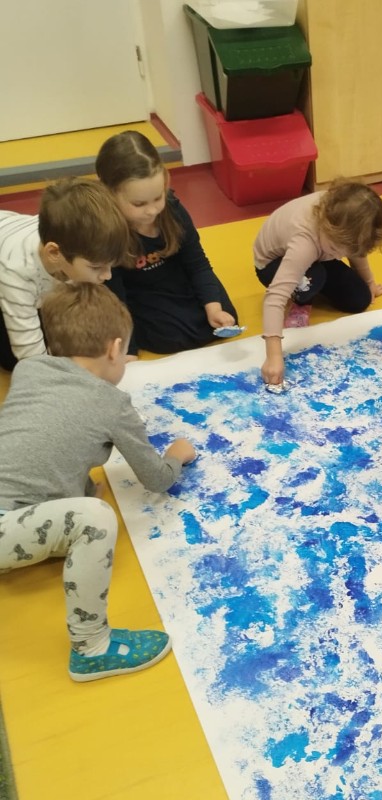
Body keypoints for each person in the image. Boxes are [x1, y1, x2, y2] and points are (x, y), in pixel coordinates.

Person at [0, 283, 196, 682]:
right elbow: (157, 479)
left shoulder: (29, 369)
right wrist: (177, 455)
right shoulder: (113, 404)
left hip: (12, 519)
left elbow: (39, 446)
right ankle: (92, 647)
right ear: (115, 348)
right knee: (95, 516)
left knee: (84, 494)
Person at [96, 130, 238, 355]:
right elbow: (115, 296)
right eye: (139, 204)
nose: (152, 210)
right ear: (110, 194)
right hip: (140, 292)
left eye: (158, 198)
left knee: (225, 315)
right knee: (168, 337)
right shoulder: (106, 231)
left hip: (177, 279)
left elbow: (198, 265)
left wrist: (213, 308)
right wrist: (129, 350)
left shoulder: (173, 210)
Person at [253, 179, 382, 385]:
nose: (342, 255)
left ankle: (314, 280)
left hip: (319, 254)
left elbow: (355, 251)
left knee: (359, 299)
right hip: (272, 264)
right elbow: (275, 296)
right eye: (337, 249)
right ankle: (301, 301)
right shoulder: (304, 241)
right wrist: (274, 356)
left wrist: (369, 283)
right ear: (329, 227)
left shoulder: (343, 221)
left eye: (346, 251)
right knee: (313, 278)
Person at [0, 177, 130, 371]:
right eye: (96, 267)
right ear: (54, 253)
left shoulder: (71, 239)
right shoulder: (17, 273)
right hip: (7, 268)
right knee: (13, 360)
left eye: (110, 266)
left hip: (11, 234)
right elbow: (31, 356)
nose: (108, 276)